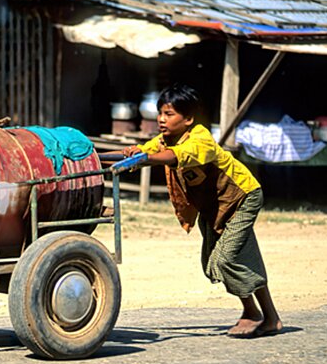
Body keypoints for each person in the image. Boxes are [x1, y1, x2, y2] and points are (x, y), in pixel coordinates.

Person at [104, 83, 282, 338]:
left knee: (226, 259)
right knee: (223, 260)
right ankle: (268, 317)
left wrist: (144, 158)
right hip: (214, 205)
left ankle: (254, 313)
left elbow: (175, 156)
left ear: (188, 118)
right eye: (160, 113)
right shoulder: (165, 139)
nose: (161, 120)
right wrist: (94, 156)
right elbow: (139, 153)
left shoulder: (201, 139)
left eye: (169, 114)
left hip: (242, 197)